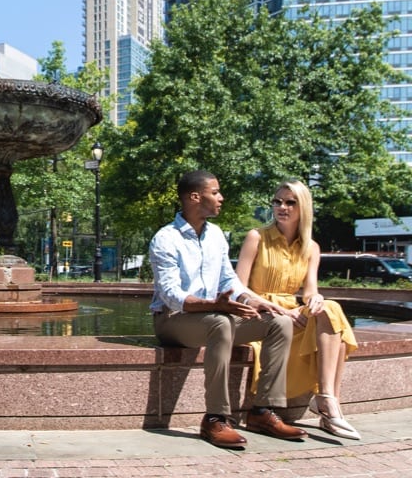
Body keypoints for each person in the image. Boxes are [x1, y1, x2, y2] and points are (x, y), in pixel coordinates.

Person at [149, 170, 307, 449]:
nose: (221, 198)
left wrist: (254, 300)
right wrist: (214, 305)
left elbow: (228, 281)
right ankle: (216, 418)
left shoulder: (216, 235)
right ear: (195, 197)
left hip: (213, 317)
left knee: (278, 323)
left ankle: (262, 412)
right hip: (173, 321)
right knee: (220, 322)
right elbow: (170, 294)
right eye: (215, 192)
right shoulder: (166, 238)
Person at [235, 179, 359, 440]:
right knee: (332, 318)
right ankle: (328, 404)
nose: (283, 207)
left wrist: (316, 299)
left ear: (303, 207)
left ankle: (326, 397)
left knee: (330, 308)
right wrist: (277, 309)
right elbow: (239, 288)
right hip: (262, 312)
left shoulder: (311, 247)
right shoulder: (257, 237)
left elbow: (310, 290)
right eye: (278, 201)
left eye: (290, 202)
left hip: (294, 312)